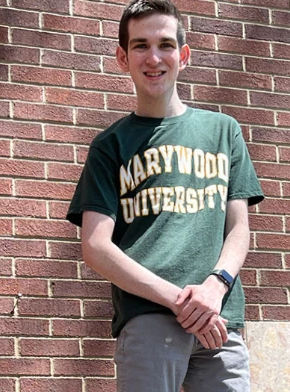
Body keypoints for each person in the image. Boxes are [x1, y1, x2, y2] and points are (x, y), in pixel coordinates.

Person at [66, 0, 264, 390]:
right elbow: (95, 246)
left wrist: (215, 286)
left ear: (183, 55)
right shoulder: (111, 145)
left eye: (166, 44)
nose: (153, 57)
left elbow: (238, 229)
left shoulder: (223, 131)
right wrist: (180, 301)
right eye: (140, 45)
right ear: (122, 58)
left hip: (220, 322)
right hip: (149, 319)